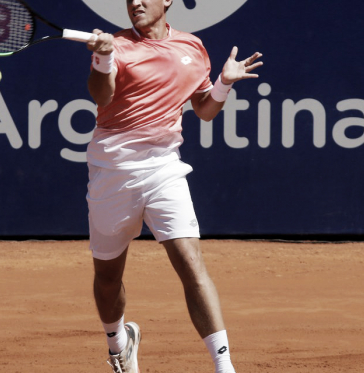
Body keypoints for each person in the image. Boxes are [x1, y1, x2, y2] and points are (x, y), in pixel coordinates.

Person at [84, 1, 263, 372]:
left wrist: (224, 83)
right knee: (107, 278)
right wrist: (102, 59)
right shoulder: (115, 44)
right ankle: (119, 344)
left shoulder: (192, 47)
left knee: (190, 263)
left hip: (165, 167)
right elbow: (101, 96)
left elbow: (203, 108)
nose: (135, 2)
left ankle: (224, 366)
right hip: (112, 171)